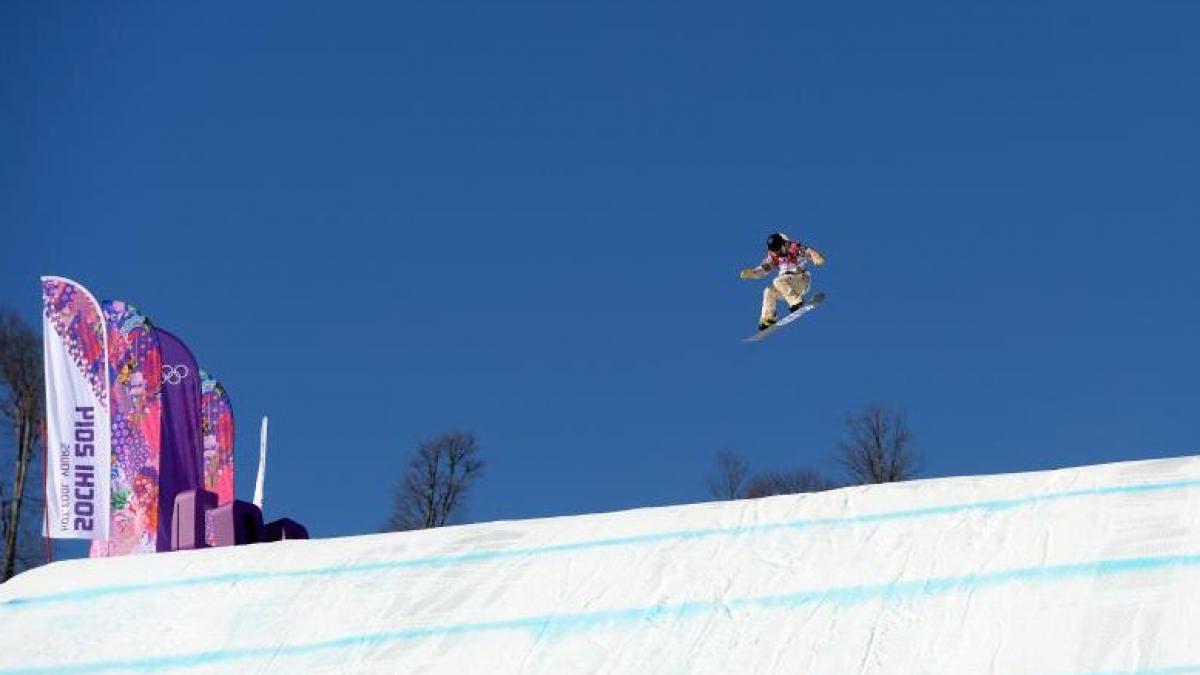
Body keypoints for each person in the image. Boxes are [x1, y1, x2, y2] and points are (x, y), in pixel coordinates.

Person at [739, 232, 825, 331]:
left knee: (777, 281)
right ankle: (768, 318)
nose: (777, 253)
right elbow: (764, 269)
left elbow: (809, 252)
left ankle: (796, 301)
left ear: (783, 244)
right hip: (787, 285)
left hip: (801, 280)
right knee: (769, 291)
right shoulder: (774, 257)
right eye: (774, 251)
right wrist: (752, 273)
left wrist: (817, 257)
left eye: (778, 250)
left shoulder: (794, 249)